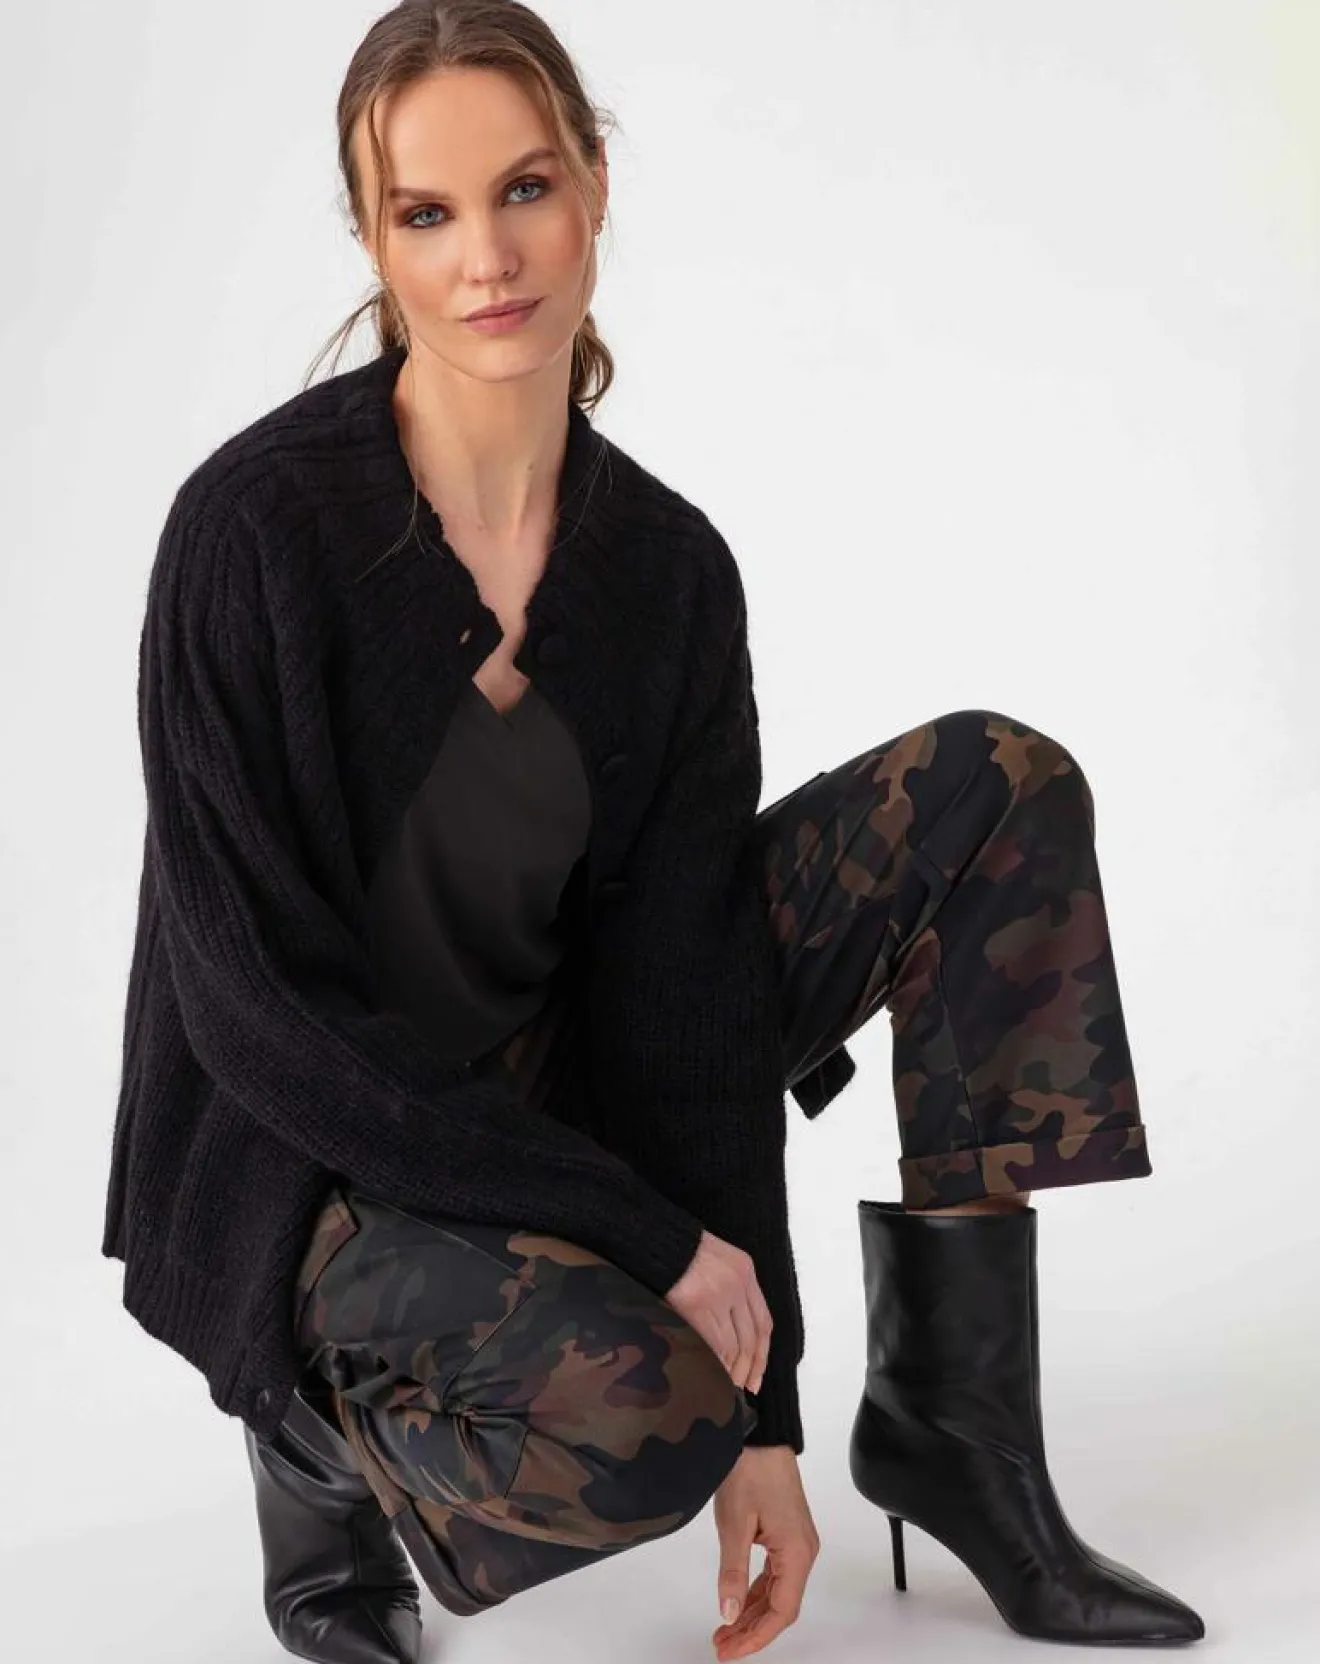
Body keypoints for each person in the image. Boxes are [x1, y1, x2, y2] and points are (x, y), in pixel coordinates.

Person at [100, 3, 1206, 1661]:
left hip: (560, 1084)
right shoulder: (252, 535)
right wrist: (656, 1252)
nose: (488, 257)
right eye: (426, 213)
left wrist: (775, 1410)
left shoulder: (667, 574)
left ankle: (954, 1439)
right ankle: (318, 1446)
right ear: (375, 242)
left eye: (525, 188)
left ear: (596, 185)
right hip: (315, 1152)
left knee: (994, 787)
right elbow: (262, 1022)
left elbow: (687, 1006)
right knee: (646, 1418)